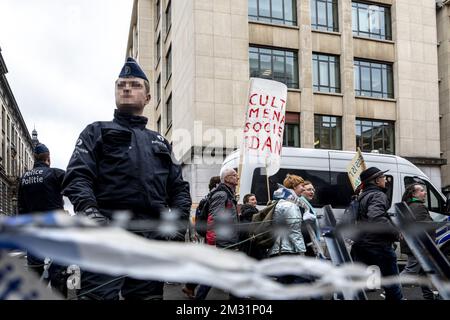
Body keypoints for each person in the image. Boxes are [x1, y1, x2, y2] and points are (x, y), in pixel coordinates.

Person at [62, 57, 192, 300]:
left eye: (134, 84)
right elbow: (77, 178)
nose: (126, 88)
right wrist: (92, 216)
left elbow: (179, 190)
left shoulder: (161, 142)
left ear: (148, 98)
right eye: (120, 84)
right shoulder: (95, 131)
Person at [17, 143, 68, 296]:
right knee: (58, 271)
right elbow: (75, 183)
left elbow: (21, 208)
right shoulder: (54, 173)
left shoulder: (24, 178)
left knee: (35, 273)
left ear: (34, 158)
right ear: (49, 158)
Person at [350, 167, 403, 300]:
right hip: (378, 246)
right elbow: (376, 217)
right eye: (383, 177)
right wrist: (394, 233)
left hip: (362, 244)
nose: (385, 180)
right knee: (392, 284)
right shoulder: (378, 195)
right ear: (376, 181)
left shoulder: (362, 196)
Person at [195, 168, 239, 300]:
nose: (237, 177)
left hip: (227, 241)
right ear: (226, 179)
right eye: (234, 175)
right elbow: (214, 219)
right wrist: (212, 243)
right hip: (222, 243)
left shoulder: (228, 193)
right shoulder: (221, 194)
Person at [182, 175, 220, 299]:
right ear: (217, 185)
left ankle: (190, 286)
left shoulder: (207, 198)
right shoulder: (213, 198)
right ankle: (192, 288)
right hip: (210, 237)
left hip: (207, 235)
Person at [400, 183, 437, 300]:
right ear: (414, 194)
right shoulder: (418, 207)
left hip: (414, 244)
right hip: (419, 246)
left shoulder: (409, 206)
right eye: (421, 190)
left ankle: (429, 296)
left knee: (424, 272)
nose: (425, 192)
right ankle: (391, 290)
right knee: (410, 271)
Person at [270, 174, 307, 284]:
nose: (303, 188)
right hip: (287, 249)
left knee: (284, 282)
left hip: (281, 247)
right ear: (294, 187)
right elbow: (294, 230)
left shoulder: (282, 201)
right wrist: (302, 251)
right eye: (302, 186)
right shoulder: (290, 205)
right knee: (287, 282)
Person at [239, 193, 260, 257]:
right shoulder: (252, 213)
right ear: (246, 202)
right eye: (252, 200)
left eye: (255, 199)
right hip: (250, 246)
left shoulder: (243, 213)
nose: (255, 201)